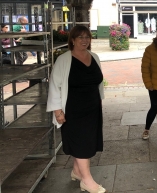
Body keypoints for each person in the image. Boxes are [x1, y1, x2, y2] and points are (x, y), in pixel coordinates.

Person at [47, 25, 106, 193]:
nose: (85, 40)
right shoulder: (64, 60)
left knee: (87, 140)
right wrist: (57, 111)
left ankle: (77, 171)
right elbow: (54, 86)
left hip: (92, 108)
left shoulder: (94, 57)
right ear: (72, 40)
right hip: (73, 109)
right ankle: (87, 181)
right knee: (82, 143)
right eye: (80, 37)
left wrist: (100, 101)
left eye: (87, 37)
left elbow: (98, 82)